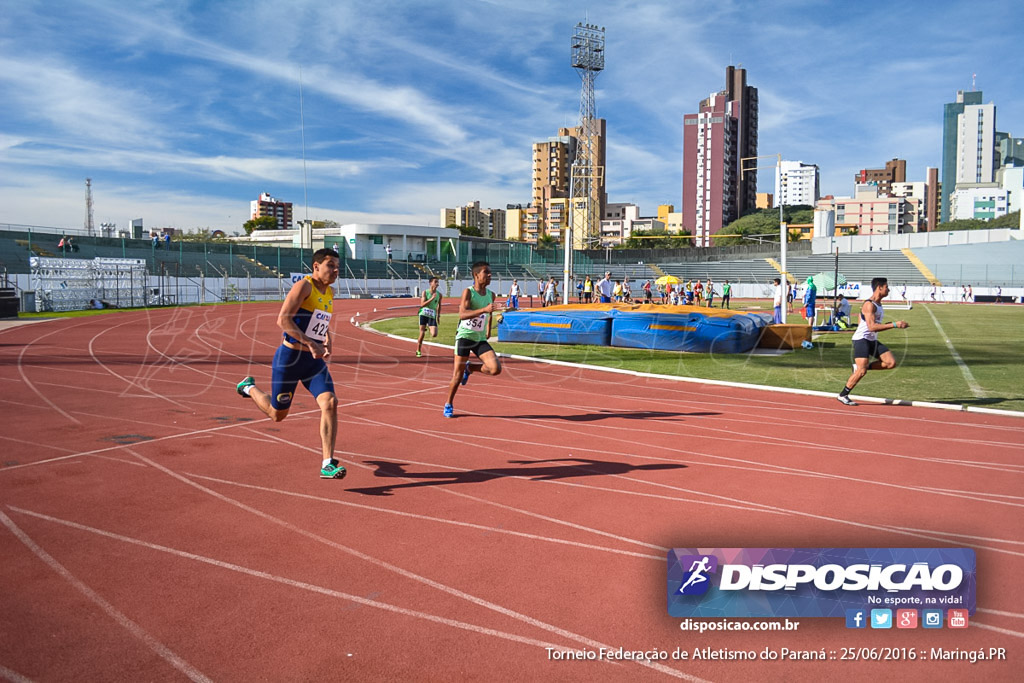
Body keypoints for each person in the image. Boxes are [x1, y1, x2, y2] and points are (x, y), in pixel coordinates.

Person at [236, 248, 346, 479]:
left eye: (337, 266)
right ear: (316, 267)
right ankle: (248, 387)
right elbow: (283, 319)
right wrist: (310, 343)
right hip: (289, 359)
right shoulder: (304, 286)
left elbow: (322, 322)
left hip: (313, 362)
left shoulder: (330, 292)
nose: (336, 270)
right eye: (330, 265)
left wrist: (327, 341)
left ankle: (327, 463)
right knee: (278, 415)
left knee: (330, 402)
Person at [836, 277, 909, 406]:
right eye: (887, 287)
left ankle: (859, 367)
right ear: (879, 288)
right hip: (861, 339)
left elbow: (863, 321)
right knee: (862, 372)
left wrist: (891, 324)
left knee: (890, 362)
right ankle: (843, 395)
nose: (888, 289)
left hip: (871, 339)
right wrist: (894, 324)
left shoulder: (878, 305)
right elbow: (871, 327)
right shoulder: (869, 304)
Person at [444, 261, 503, 418]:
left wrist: (489, 328)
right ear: (477, 275)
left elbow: (489, 313)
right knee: (457, 375)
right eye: (486, 272)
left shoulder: (491, 295)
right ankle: (448, 403)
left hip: (479, 338)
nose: (490, 275)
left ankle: (471, 369)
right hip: (464, 337)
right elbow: (462, 314)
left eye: (490, 272)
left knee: (495, 369)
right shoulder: (468, 292)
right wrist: (484, 309)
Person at [416, 277, 442, 357]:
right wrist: (431, 298)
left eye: (438, 282)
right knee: (422, 333)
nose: (437, 283)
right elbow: (422, 304)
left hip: (432, 315)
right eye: (435, 282)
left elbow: (439, 305)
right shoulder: (425, 292)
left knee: (434, 334)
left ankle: (428, 326)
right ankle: (418, 350)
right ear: (430, 283)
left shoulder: (439, 295)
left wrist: (438, 315)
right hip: (424, 313)